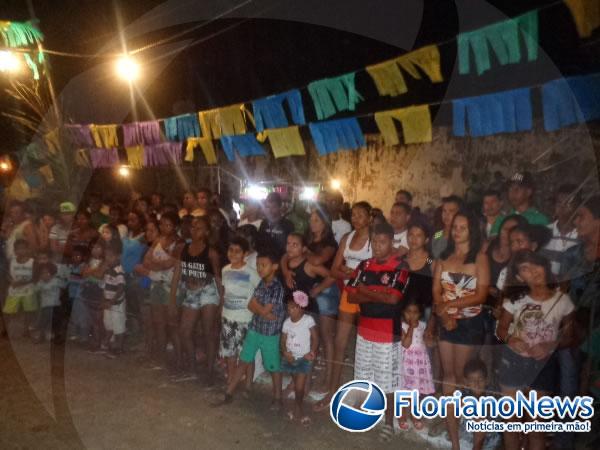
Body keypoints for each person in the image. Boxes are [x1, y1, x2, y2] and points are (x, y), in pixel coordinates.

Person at [496, 250, 575, 450]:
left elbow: (570, 335)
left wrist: (551, 345)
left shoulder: (562, 301)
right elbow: (501, 328)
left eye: (535, 265)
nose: (532, 271)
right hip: (513, 361)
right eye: (525, 269)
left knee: (536, 426)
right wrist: (511, 340)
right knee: (510, 422)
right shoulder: (515, 300)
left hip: (543, 365)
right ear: (519, 277)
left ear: (544, 266)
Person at [346, 222, 410, 442]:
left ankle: (388, 422)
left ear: (391, 242)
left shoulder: (401, 266)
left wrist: (366, 290)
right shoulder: (364, 265)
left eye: (382, 241)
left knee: (388, 381)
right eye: (374, 241)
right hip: (364, 328)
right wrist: (377, 293)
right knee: (364, 374)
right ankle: (365, 413)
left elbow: (393, 299)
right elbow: (352, 296)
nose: (377, 246)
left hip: (387, 333)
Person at [433, 210, 489, 450]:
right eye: (455, 226)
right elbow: (436, 291)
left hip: (469, 324)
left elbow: (481, 295)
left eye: (462, 227)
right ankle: (455, 443)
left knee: (469, 382)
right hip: (447, 322)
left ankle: (478, 441)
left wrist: (450, 306)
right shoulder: (444, 256)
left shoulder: (479, 258)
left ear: (472, 230)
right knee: (449, 379)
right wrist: (444, 314)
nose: (456, 231)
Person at [314, 201, 372, 412]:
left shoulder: (375, 241)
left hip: (367, 297)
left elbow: (380, 270)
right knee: (340, 343)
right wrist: (348, 274)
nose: (356, 219)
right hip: (348, 294)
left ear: (369, 218)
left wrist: (354, 273)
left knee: (365, 348)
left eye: (360, 215)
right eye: (353, 215)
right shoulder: (347, 239)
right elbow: (335, 269)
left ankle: (363, 395)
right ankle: (332, 390)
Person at [218, 251, 286, 408]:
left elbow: (257, 306)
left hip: (269, 333)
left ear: (274, 266)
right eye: (258, 265)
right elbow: (251, 305)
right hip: (256, 327)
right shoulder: (262, 283)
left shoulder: (277, 288)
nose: (259, 268)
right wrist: (262, 312)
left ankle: (278, 397)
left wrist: (260, 309)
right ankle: (229, 392)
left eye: (263, 265)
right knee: (244, 359)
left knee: (273, 366)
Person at [169, 216, 222, 383]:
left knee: (209, 332)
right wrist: (172, 300)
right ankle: (192, 369)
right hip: (191, 292)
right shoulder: (183, 249)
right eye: (193, 227)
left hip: (208, 291)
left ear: (206, 232)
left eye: (199, 228)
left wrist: (221, 303)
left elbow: (218, 279)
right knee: (185, 331)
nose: (194, 230)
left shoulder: (211, 252)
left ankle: (209, 371)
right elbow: (177, 275)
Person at [220, 236, 261, 390]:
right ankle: (231, 379)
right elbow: (224, 293)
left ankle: (249, 382)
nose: (233, 254)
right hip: (228, 317)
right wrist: (221, 314)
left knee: (246, 354)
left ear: (245, 254)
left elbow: (260, 291)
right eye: (231, 250)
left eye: (238, 251)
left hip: (245, 319)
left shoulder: (251, 272)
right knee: (230, 352)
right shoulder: (225, 270)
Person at [143, 212, 184, 365]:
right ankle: (161, 357)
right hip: (157, 285)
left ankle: (179, 359)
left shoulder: (180, 244)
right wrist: (159, 264)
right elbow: (146, 261)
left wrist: (156, 264)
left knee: (172, 325)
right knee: (158, 323)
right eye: (162, 224)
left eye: (168, 224)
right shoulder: (158, 240)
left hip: (171, 287)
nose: (164, 227)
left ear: (175, 226)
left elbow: (169, 264)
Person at [280, 290, 318, 425]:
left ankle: (298, 410)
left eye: (293, 307)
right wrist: (285, 352)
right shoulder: (286, 323)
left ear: (301, 307)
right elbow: (282, 340)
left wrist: (312, 352)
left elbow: (315, 338)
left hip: (303, 359)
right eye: (288, 307)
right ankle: (298, 407)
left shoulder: (308, 320)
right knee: (297, 385)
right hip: (290, 359)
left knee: (300, 387)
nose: (290, 310)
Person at [398, 298, 435, 431]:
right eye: (408, 312)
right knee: (404, 390)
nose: (411, 315)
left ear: (419, 314)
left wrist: (431, 338)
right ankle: (402, 415)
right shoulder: (401, 326)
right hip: (406, 364)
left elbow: (430, 344)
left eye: (415, 312)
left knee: (417, 392)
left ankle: (415, 415)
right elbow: (406, 344)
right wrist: (411, 329)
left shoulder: (423, 326)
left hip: (419, 365)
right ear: (403, 312)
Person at [458, 359, 502, 450]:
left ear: (486, 380)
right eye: (472, 380)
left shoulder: (492, 393)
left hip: (489, 439)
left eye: (480, 379)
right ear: (466, 382)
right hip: (468, 436)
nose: (476, 384)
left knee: (479, 417)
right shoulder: (465, 392)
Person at [543, 184, 579, 275]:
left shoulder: (582, 234)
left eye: (568, 203)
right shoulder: (545, 231)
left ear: (578, 206)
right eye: (559, 202)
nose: (562, 207)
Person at [2, 239, 36, 336]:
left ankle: (27, 330)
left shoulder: (32, 262)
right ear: (15, 250)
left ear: (28, 249)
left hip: (28, 290)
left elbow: (34, 277)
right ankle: (7, 329)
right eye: (18, 249)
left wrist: (21, 283)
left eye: (23, 248)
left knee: (28, 311)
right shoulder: (11, 261)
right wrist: (10, 281)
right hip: (14, 290)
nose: (21, 251)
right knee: (8, 310)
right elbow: (7, 274)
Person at [101, 241, 127, 358]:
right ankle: (110, 345)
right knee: (109, 324)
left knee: (118, 326)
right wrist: (104, 299)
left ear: (118, 256)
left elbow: (121, 288)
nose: (108, 258)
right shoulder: (107, 269)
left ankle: (119, 348)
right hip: (108, 302)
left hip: (116, 304)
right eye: (106, 256)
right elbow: (105, 285)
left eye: (110, 256)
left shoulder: (118, 270)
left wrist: (112, 301)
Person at [81, 239, 106, 352]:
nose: (95, 250)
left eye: (98, 247)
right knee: (92, 318)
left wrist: (90, 271)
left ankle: (99, 341)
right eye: (93, 248)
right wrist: (94, 271)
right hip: (89, 289)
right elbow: (83, 274)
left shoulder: (105, 262)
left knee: (99, 319)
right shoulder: (89, 260)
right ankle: (96, 340)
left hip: (99, 291)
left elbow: (100, 275)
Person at [257, 192, 295, 258]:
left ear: (280, 207)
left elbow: (290, 246)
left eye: (274, 207)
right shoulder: (264, 223)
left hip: (281, 260)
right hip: (264, 261)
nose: (270, 210)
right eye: (268, 207)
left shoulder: (288, 224)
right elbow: (259, 243)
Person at [34, 263, 62, 343]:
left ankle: (57, 337)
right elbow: (36, 290)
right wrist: (39, 282)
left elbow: (62, 289)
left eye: (47, 273)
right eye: (42, 273)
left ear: (52, 273)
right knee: (43, 321)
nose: (45, 275)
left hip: (55, 305)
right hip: (45, 306)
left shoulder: (56, 281)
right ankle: (41, 336)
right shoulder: (40, 283)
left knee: (56, 322)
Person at [67, 246, 88, 341]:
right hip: (72, 295)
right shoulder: (70, 267)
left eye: (78, 256)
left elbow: (83, 280)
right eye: (73, 255)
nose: (75, 257)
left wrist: (70, 277)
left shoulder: (84, 267)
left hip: (80, 296)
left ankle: (84, 335)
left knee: (82, 316)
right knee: (73, 315)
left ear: (83, 257)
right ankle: (74, 333)